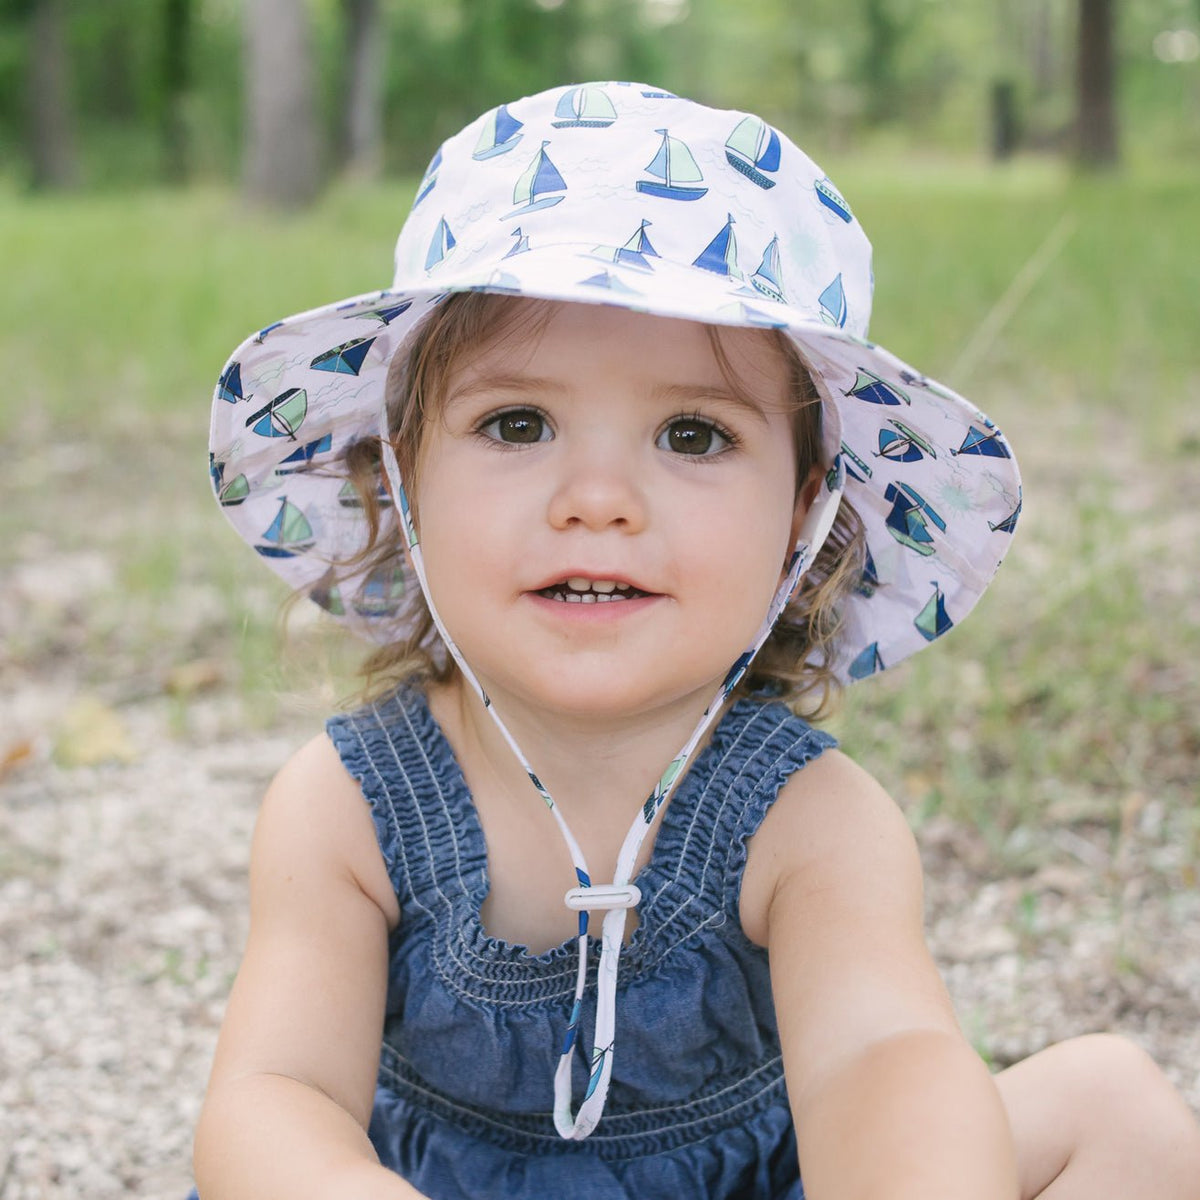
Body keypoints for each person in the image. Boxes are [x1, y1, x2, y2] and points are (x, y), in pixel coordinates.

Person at [194, 82, 1200, 1200]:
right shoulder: (347, 804)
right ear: (401, 483)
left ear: (804, 523)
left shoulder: (812, 823)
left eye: (693, 433)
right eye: (517, 424)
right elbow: (276, 1097)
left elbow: (883, 1060)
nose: (599, 498)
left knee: (1117, 1110)